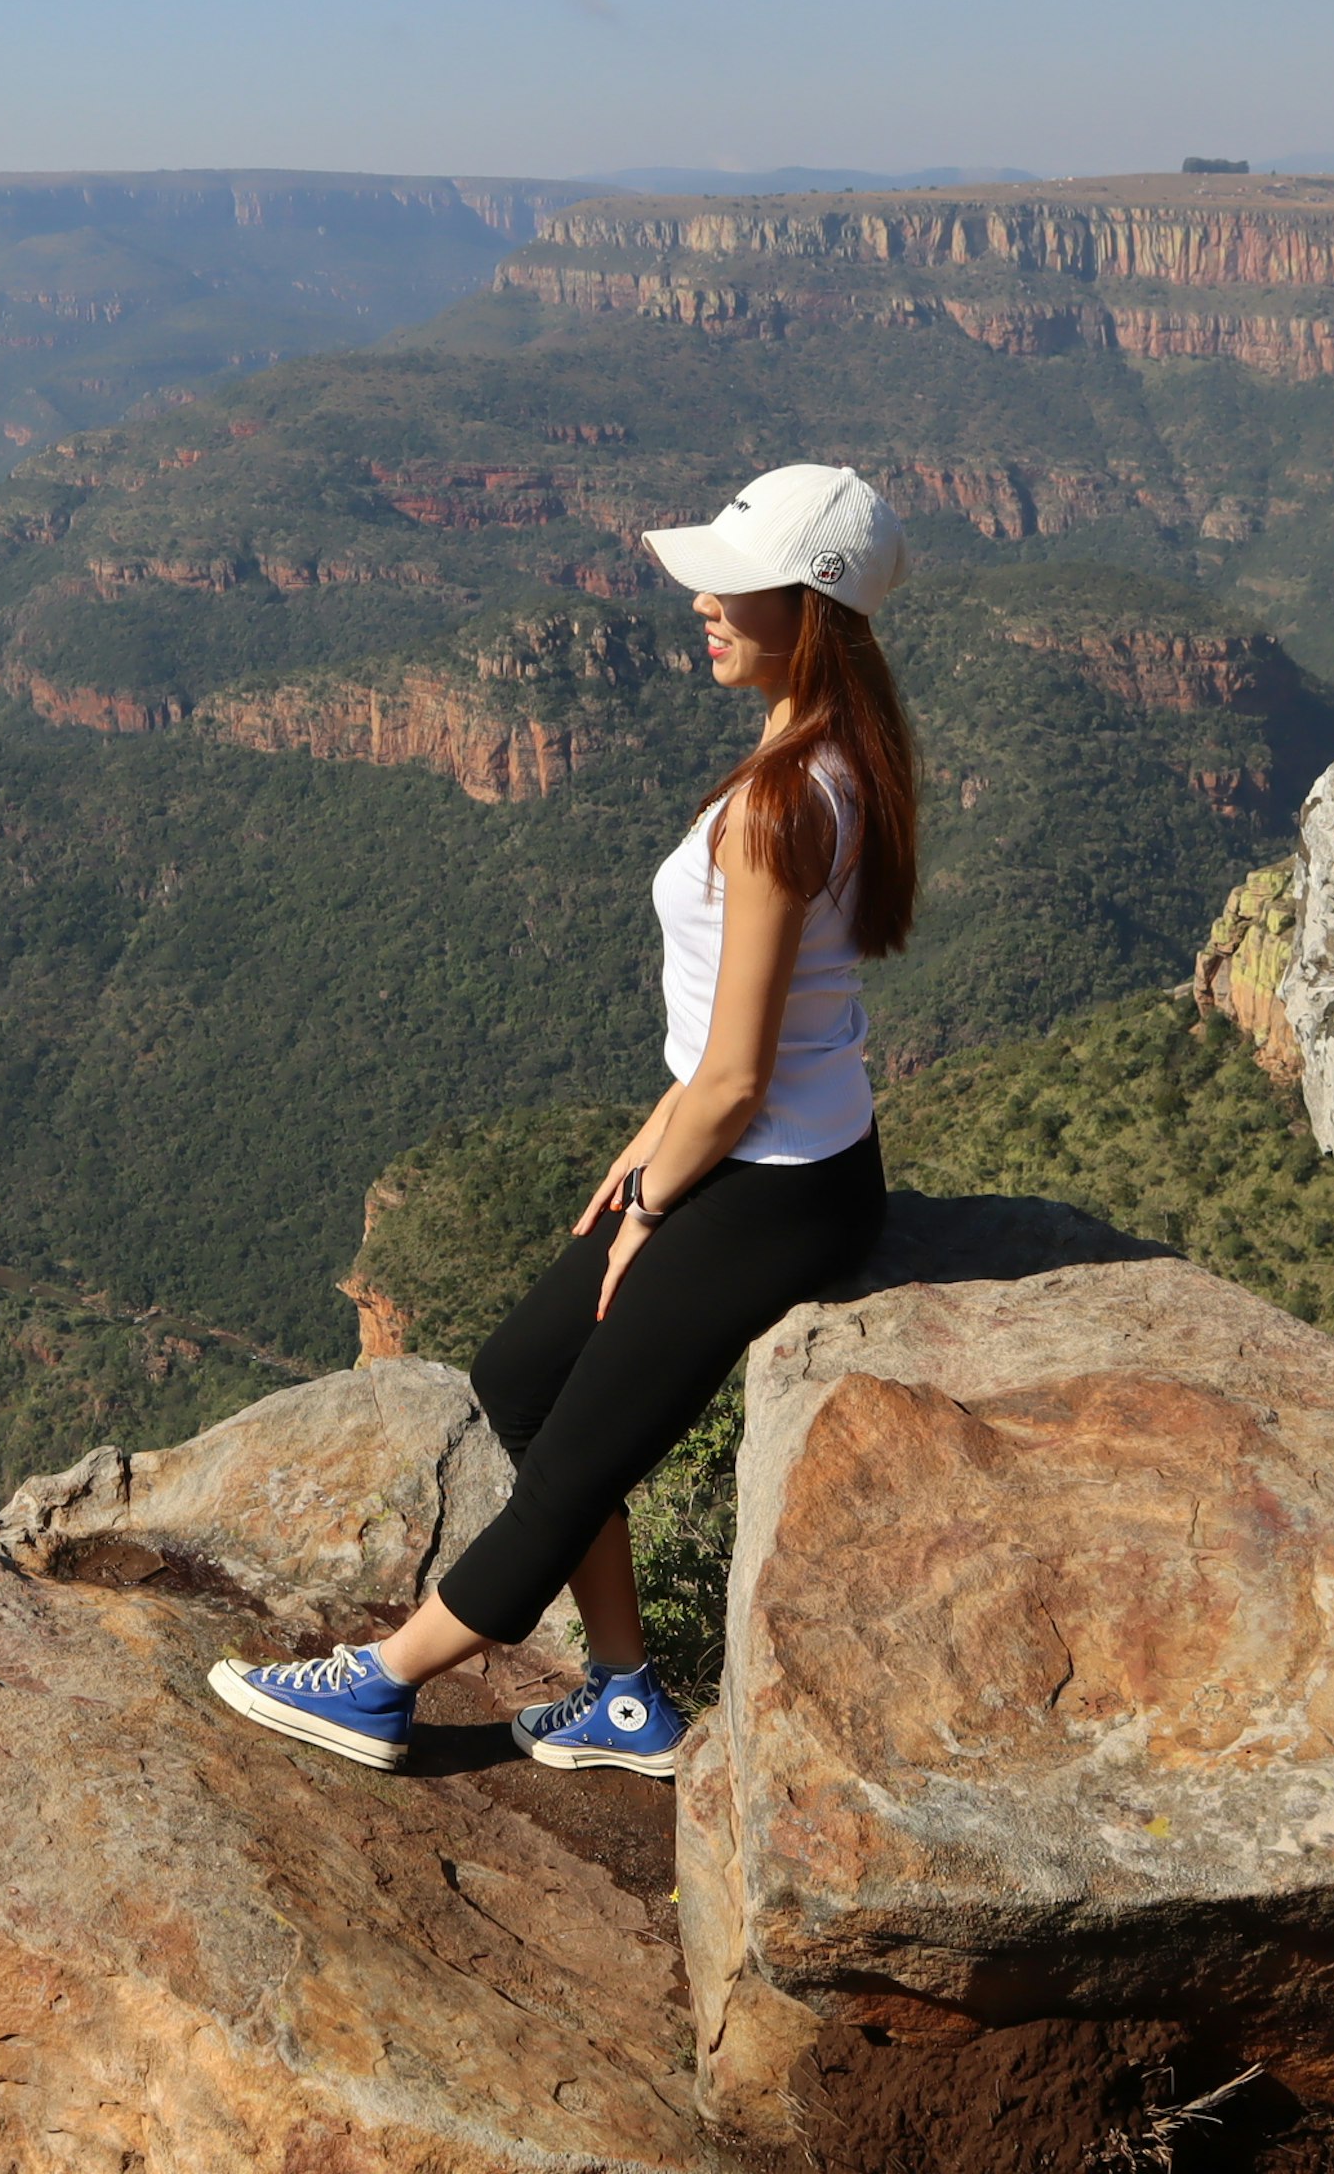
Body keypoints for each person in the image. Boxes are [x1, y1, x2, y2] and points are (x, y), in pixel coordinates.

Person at [207, 462, 918, 1776]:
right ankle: (625, 1695)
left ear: (807, 607)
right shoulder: (821, 754)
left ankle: (380, 1686)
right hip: (750, 1147)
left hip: (771, 1180)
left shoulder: (780, 802)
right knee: (521, 1378)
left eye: (731, 584)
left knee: (573, 1460)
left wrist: (657, 1199)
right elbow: (731, 1042)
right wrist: (647, 1143)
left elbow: (744, 1074)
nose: (700, 601)